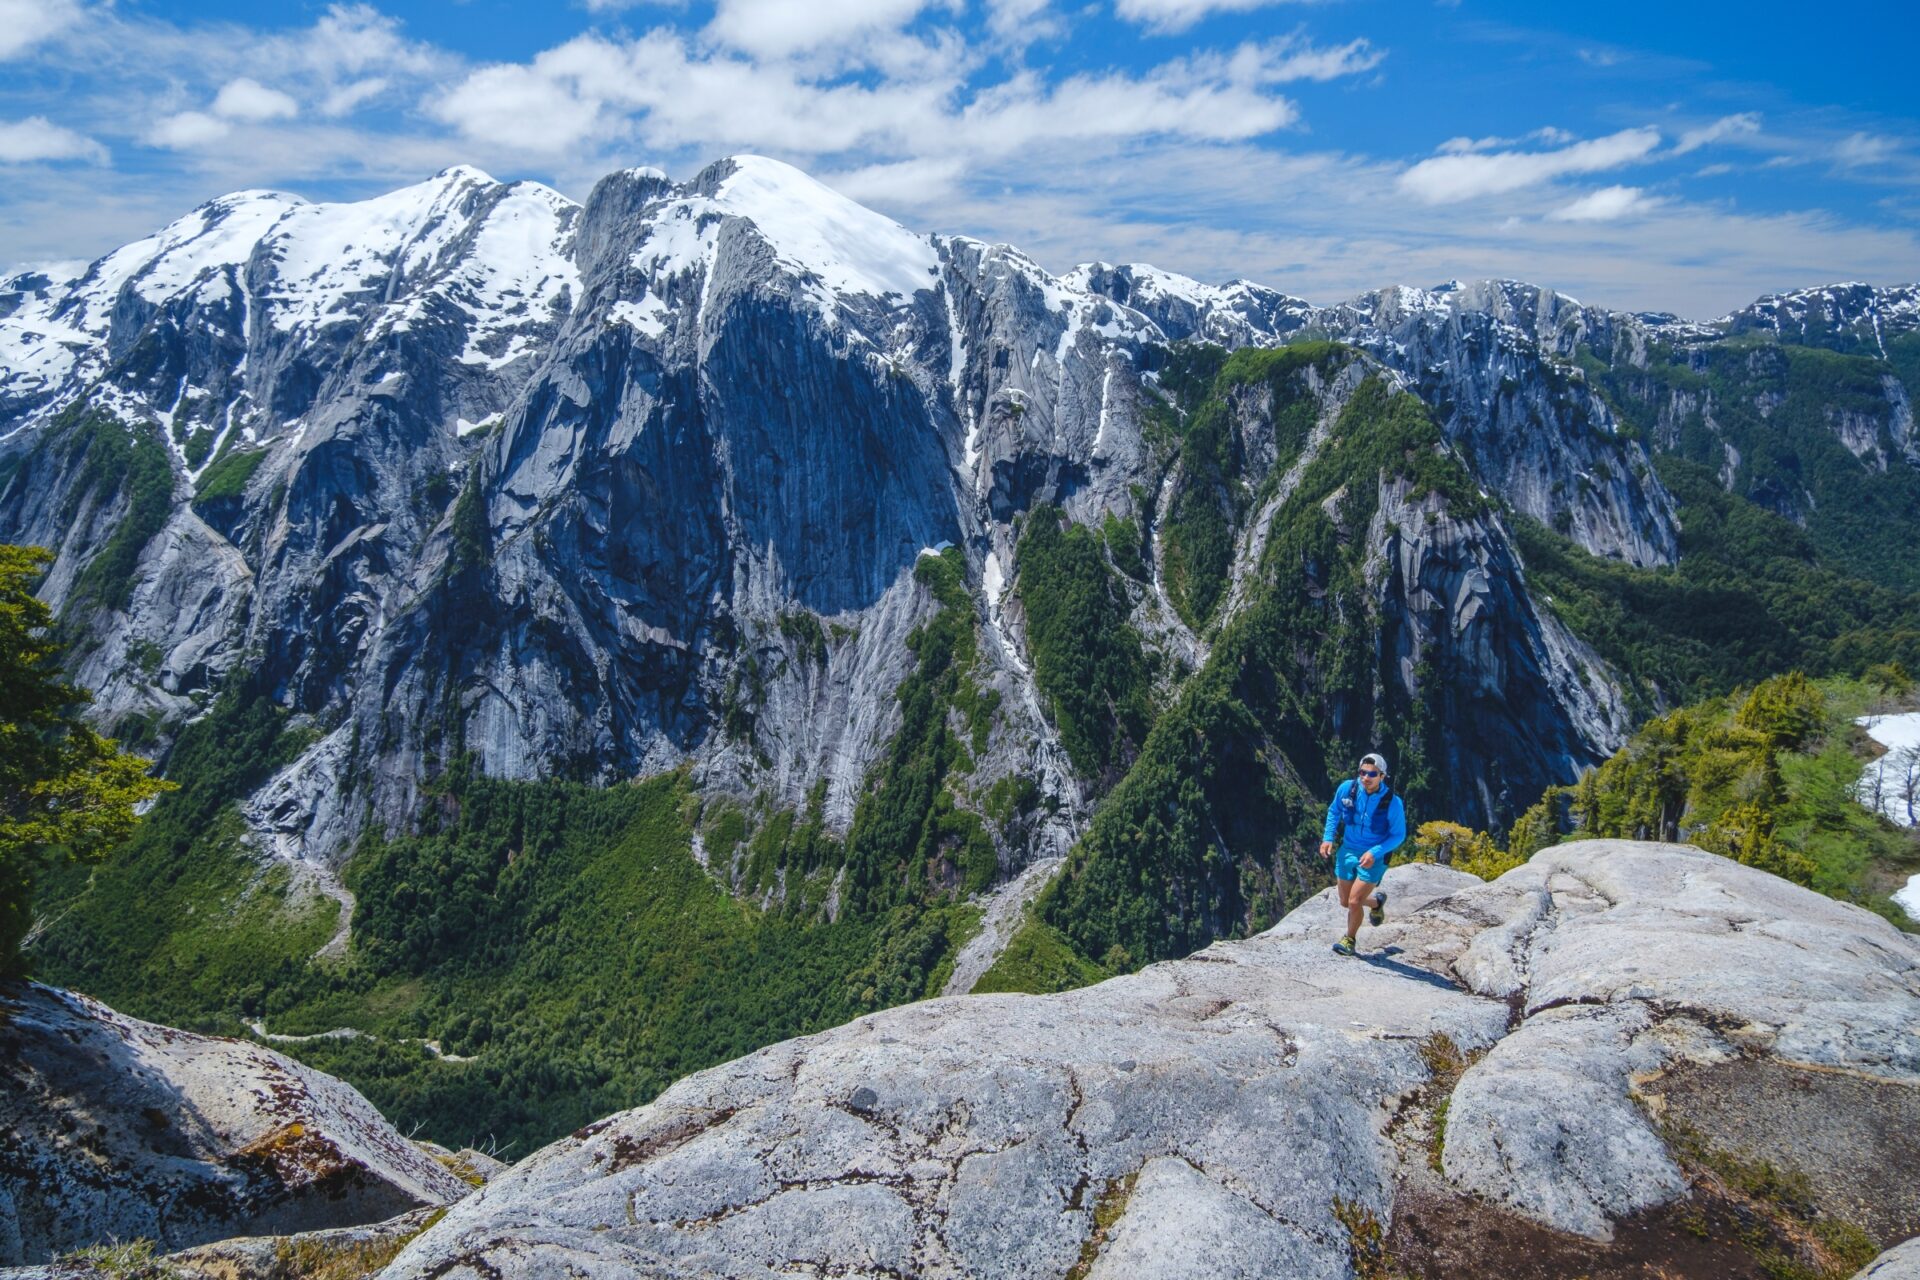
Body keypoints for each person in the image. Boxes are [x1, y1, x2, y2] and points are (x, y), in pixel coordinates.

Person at [1319, 752, 1406, 957]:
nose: (1366, 777)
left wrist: (1375, 852)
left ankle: (1349, 940)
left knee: (1354, 901)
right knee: (1344, 901)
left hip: (1374, 858)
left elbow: (1398, 835)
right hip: (1348, 851)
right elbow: (1334, 811)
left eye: (1372, 774)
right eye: (1362, 772)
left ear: (1382, 776)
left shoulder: (1392, 803)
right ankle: (1376, 902)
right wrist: (1328, 837)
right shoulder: (1347, 789)